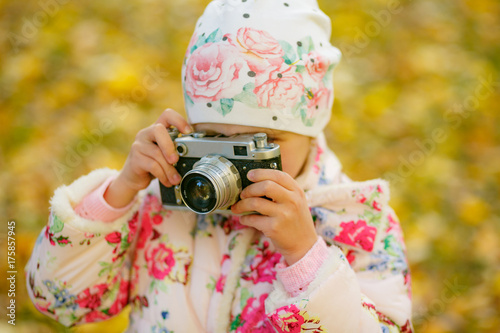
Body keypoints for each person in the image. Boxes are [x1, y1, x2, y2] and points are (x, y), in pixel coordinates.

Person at [26, 0, 413, 332]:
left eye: (261, 143)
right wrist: (119, 193)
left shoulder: (356, 220)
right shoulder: (164, 203)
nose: (227, 163)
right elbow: (59, 300)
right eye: (212, 137)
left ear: (311, 129)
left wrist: (306, 257)